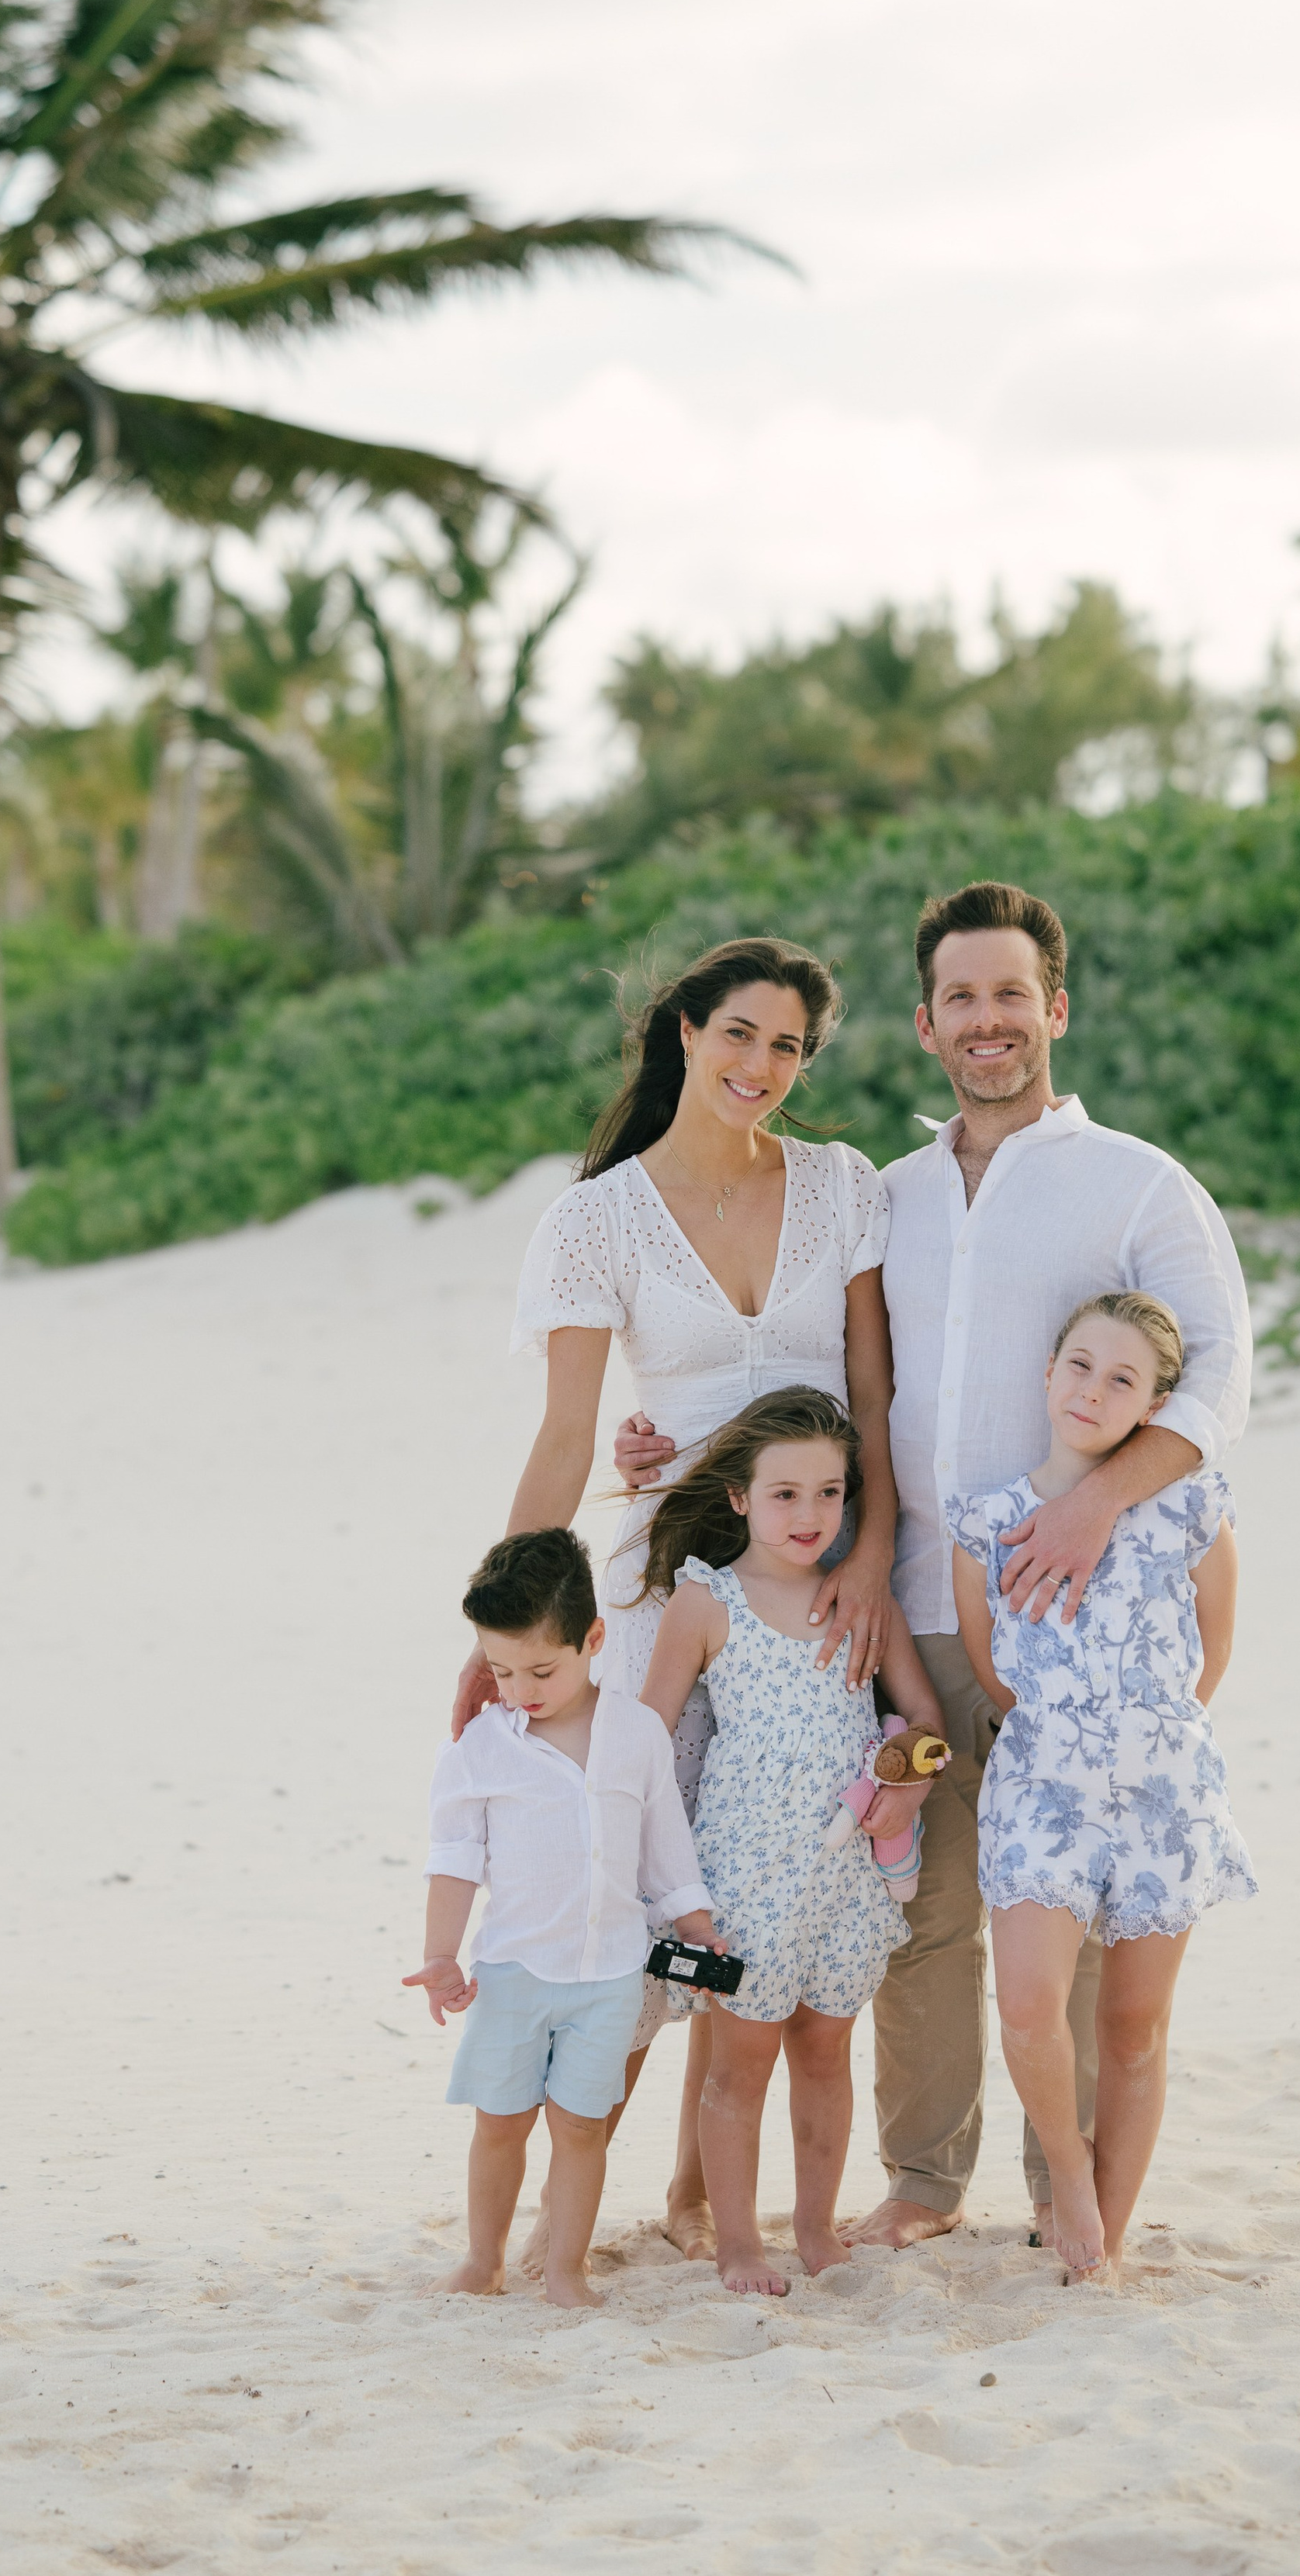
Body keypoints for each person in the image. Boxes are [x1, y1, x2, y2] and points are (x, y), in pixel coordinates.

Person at [616, 880, 1251, 2249]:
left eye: (1011, 993)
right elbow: (815, 1375)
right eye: (960, 997)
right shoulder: (884, 1196)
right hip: (906, 1602)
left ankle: (1070, 2192)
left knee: (1076, 1923)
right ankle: (923, 2179)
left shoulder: (1139, 1183)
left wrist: (1093, 1508)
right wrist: (662, 1439)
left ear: (1056, 1008)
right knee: (923, 1913)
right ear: (924, 1023)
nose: (986, 1020)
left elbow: (1219, 1382)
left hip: (1077, 1626)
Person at [457, 937, 897, 2263]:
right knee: (638, 1878)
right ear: (687, 1031)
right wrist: (507, 1623)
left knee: (767, 1878)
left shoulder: (844, 1185)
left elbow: (874, 1399)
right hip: (667, 1592)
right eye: (740, 1034)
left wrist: (870, 1555)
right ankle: (564, 2210)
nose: (762, 1065)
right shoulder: (596, 1219)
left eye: (789, 1045)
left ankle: (702, 2196)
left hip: (813, 1581)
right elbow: (567, 1436)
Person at [949, 1291, 1254, 2279]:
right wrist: (1071, 1733)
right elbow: (993, 1669)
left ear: (1156, 1405)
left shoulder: (1192, 1505)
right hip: (1042, 1787)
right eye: (1079, 1365)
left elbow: (1214, 1646)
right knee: (1028, 2004)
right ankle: (1068, 2177)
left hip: (1166, 1791)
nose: (1092, 1390)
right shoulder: (988, 1523)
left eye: (1122, 1379)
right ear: (1048, 1373)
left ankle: (1104, 2241)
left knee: (1131, 2025)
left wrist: (1147, 1732)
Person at [638, 1390, 946, 2296]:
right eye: (784, 1494)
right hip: (743, 1883)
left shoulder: (860, 1598)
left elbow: (925, 1720)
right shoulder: (707, 1600)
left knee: (824, 2054)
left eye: (829, 1492)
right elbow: (649, 1744)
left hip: (844, 1881)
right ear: (739, 1497)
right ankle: (737, 2242)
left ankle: (814, 2228)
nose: (809, 1513)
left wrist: (910, 1773)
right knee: (738, 2067)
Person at [406, 1527, 727, 2308]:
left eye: (541, 1669)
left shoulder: (637, 1733)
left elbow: (665, 1845)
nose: (520, 1688)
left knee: (582, 2126)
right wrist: (441, 1954)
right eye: (501, 1670)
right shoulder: (482, 1746)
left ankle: (565, 2269)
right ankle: (483, 2259)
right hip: (513, 1972)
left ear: (594, 1640)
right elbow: (455, 1858)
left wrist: (695, 1924)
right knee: (500, 2122)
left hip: (608, 1975)